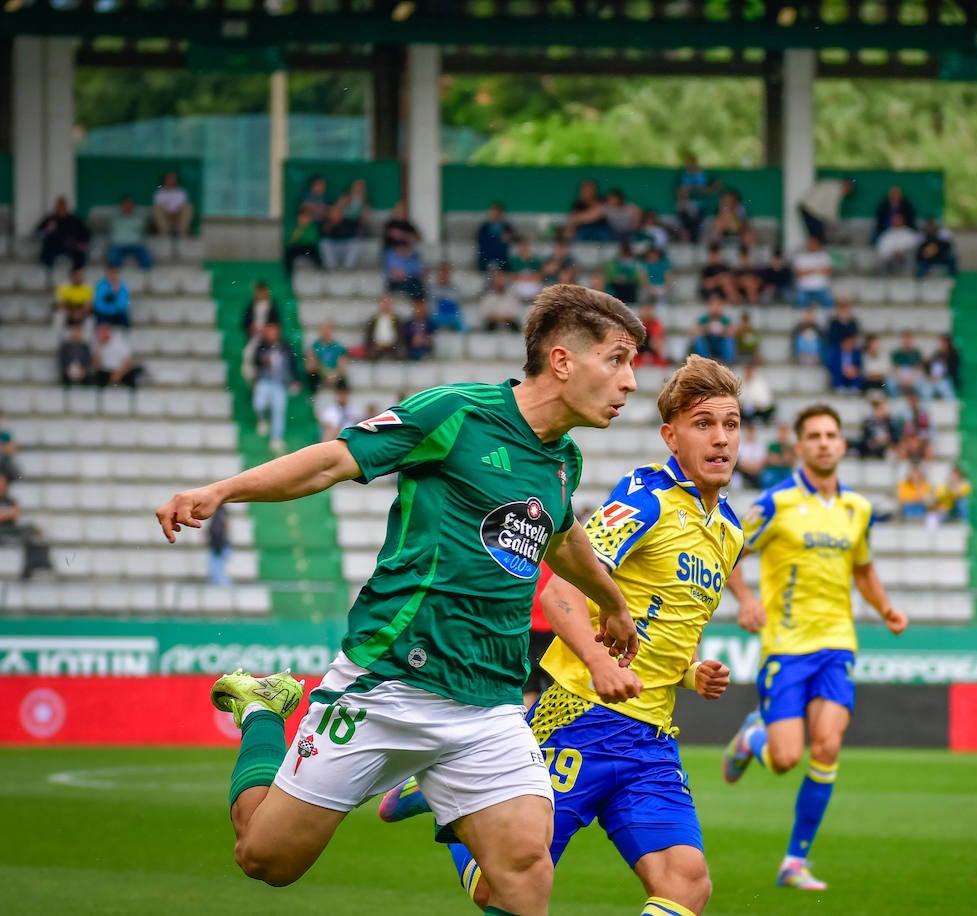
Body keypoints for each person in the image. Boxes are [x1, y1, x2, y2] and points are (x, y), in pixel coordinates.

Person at [154, 284, 645, 915]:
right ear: (562, 361)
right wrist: (222, 491)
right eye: (618, 359)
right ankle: (260, 710)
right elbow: (332, 462)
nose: (631, 381)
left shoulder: (562, 461)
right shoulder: (454, 413)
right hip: (385, 684)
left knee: (526, 868)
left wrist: (612, 600)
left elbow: (561, 536)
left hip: (488, 703)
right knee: (266, 859)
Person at [376, 356, 744, 916]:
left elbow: (665, 620)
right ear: (671, 436)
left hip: (650, 740)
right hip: (578, 718)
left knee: (688, 884)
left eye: (731, 424)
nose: (721, 439)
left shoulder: (729, 530)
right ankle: (445, 786)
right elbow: (560, 594)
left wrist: (692, 671)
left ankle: (445, 784)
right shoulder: (644, 499)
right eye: (704, 424)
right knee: (501, 889)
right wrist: (599, 663)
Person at [722, 404, 908, 891]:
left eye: (832, 435)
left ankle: (794, 862)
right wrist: (744, 599)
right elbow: (728, 549)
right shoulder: (774, 503)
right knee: (786, 758)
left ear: (843, 445)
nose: (825, 442)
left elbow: (863, 568)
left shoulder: (857, 509)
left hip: (838, 646)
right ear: (799, 447)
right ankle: (751, 739)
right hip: (785, 647)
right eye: (815, 436)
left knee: (827, 747)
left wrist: (885, 608)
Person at [243, 322, 299, 453]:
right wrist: (263, 361)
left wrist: (295, 380)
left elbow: (292, 363)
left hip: (280, 383)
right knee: (259, 404)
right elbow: (255, 361)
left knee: (279, 411)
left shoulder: (285, 346)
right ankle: (262, 419)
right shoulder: (261, 346)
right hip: (264, 381)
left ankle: (276, 438)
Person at [34, 196, 90, 273]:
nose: (61, 209)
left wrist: (83, 242)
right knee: (46, 254)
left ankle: (76, 275)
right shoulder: (50, 219)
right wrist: (47, 229)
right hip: (54, 246)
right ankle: (50, 274)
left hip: (71, 246)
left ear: (66, 207)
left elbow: (86, 233)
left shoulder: (74, 220)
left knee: (80, 255)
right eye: (59, 207)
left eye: (63, 207)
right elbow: (38, 233)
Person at [798, 178, 853, 244]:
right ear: (846, 186)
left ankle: (815, 249)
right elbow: (831, 209)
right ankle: (815, 251)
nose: (846, 193)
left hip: (807, 207)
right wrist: (836, 223)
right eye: (848, 190)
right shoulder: (836, 190)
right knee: (817, 236)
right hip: (811, 210)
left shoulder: (832, 184)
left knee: (815, 235)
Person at [91, 323, 144, 390]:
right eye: (101, 332)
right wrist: (99, 347)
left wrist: (119, 374)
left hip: (121, 371)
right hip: (106, 373)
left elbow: (127, 361)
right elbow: (96, 365)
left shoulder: (119, 342)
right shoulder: (97, 345)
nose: (103, 334)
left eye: (104, 331)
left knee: (135, 372)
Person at [107, 195, 153, 270]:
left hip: (136, 245)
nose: (128, 207)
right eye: (125, 205)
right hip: (118, 245)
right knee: (113, 258)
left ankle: (144, 279)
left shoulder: (139, 218)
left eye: (130, 205)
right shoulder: (115, 218)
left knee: (146, 258)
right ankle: (115, 279)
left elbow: (145, 231)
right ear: (121, 206)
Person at [304, 322, 349, 394]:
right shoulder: (315, 346)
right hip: (320, 372)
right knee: (311, 377)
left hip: (334, 373)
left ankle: (342, 400)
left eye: (328, 330)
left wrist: (335, 374)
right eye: (323, 330)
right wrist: (323, 372)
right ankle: (310, 398)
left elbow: (342, 365)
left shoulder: (338, 347)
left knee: (343, 381)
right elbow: (310, 365)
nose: (326, 332)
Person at [793, 236, 835, 311]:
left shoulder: (824, 256)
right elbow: (799, 274)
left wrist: (808, 271)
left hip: (821, 288)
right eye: (810, 243)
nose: (812, 245)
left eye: (814, 243)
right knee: (800, 301)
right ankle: (805, 321)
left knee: (829, 302)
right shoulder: (801, 257)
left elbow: (827, 272)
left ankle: (828, 320)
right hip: (804, 288)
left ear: (818, 244)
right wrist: (817, 269)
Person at [53, 266, 95, 337]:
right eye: (77, 275)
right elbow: (60, 305)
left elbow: (89, 305)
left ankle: (86, 342)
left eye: (81, 275)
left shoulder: (88, 288)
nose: (79, 277)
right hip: (68, 313)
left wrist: (80, 313)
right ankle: (58, 338)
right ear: (72, 275)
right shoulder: (64, 287)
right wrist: (71, 314)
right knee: (59, 316)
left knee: (90, 319)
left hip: (82, 313)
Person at [152, 171, 194, 237]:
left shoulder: (181, 192)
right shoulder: (159, 193)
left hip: (178, 216)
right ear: (165, 180)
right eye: (168, 179)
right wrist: (168, 215)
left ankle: (182, 232)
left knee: (188, 206)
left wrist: (176, 215)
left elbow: (183, 206)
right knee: (156, 208)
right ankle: (163, 231)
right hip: (165, 216)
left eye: (172, 179)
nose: (170, 181)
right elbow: (159, 207)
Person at [283, 205, 323, 276]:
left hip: (308, 249)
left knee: (315, 253)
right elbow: (290, 241)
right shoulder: (294, 227)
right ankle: (288, 273)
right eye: (302, 217)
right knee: (288, 252)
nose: (304, 219)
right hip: (297, 248)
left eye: (307, 217)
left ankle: (320, 271)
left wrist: (301, 238)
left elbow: (312, 240)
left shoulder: (312, 228)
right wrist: (299, 230)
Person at [476, 202, 515, 273]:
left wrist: (508, 239)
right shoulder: (484, 228)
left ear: (501, 213)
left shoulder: (507, 227)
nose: (494, 214)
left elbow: (513, 240)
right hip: (486, 259)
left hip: (503, 260)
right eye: (492, 212)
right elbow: (482, 244)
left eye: (496, 212)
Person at [364, 296, 406, 360]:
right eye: (384, 303)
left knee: (401, 353)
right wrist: (375, 344)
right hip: (377, 346)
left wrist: (393, 344)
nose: (386, 306)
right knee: (371, 353)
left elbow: (401, 335)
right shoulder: (374, 319)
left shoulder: (397, 319)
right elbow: (369, 335)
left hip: (393, 347)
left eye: (388, 304)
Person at [207, 509, 232, 587]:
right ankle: (220, 581)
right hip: (219, 544)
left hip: (218, 544)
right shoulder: (221, 516)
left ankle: (218, 580)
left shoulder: (217, 516)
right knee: (218, 564)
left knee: (217, 564)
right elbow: (217, 532)